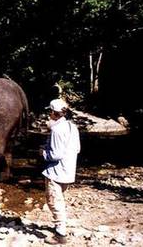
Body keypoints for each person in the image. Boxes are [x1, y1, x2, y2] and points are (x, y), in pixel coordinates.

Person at [39, 98, 80, 245]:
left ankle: (60, 234)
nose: (48, 114)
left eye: (49, 111)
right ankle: (60, 226)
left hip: (56, 172)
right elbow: (77, 149)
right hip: (69, 171)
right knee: (59, 200)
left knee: (54, 202)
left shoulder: (56, 130)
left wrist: (43, 153)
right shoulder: (72, 126)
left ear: (53, 113)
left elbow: (55, 155)